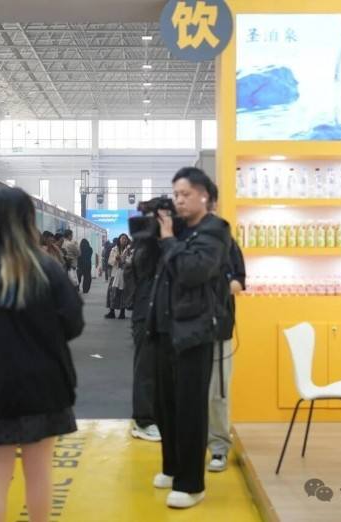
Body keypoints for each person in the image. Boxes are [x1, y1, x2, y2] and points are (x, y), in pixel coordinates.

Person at [0, 188, 84, 522]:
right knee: (39, 471)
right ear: (29, 220)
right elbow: (73, 323)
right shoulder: (47, 268)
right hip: (45, 384)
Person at [147, 167, 230, 509]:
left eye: (185, 194)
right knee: (165, 405)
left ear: (204, 196)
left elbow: (192, 271)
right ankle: (172, 468)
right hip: (164, 327)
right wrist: (159, 233)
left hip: (194, 331)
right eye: (176, 194)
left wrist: (168, 238)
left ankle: (191, 484)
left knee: (190, 408)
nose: (179, 201)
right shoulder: (179, 230)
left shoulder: (215, 230)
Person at [205, 184, 246, 474]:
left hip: (218, 328)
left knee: (217, 392)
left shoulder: (227, 242)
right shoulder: (180, 240)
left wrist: (215, 287)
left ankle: (218, 446)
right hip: (184, 331)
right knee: (185, 392)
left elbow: (239, 281)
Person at [127, 208, 162, 443]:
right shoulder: (147, 249)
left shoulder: (147, 247)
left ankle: (152, 418)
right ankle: (144, 420)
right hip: (146, 315)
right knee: (146, 369)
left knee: (155, 369)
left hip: (155, 314)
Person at [105, 233, 132, 319]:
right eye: (122, 238)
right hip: (115, 274)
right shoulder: (114, 249)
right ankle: (112, 311)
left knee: (123, 293)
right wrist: (116, 260)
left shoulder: (129, 250)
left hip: (124, 275)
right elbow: (110, 261)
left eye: (125, 239)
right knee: (112, 293)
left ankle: (122, 313)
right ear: (119, 240)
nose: (124, 240)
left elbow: (131, 261)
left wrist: (124, 261)